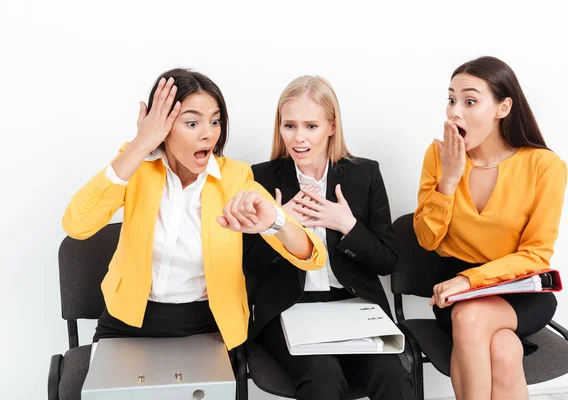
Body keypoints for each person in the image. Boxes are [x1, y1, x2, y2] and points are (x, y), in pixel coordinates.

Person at [62, 69, 326, 358]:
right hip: (127, 320)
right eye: (192, 122)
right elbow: (77, 225)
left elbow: (312, 258)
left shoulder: (235, 177)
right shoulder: (136, 167)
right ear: (162, 128)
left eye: (215, 121)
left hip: (208, 324)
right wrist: (140, 145)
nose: (208, 134)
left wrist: (275, 223)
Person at [244, 75, 414, 400]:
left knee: (392, 375)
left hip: (354, 306)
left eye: (311, 126)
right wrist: (280, 224)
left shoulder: (364, 174)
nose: (298, 137)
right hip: (289, 309)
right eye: (289, 126)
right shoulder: (261, 177)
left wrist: (349, 226)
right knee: (323, 379)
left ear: (332, 126)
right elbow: (249, 265)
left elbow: (387, 261)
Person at [414, 56, 566, 400]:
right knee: (505, 351)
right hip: (455, 285)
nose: (454, 111)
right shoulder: (439, 157)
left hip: (521, 289)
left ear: (503, 107)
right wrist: (449, 181)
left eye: (470, 101)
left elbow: (535, 253)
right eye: (451, 99)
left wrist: (470, 280)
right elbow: (426, 239)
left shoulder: (545, 166)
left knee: (471, 319)